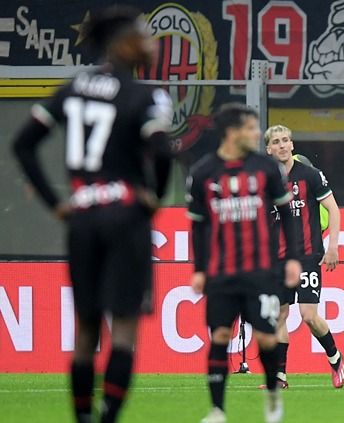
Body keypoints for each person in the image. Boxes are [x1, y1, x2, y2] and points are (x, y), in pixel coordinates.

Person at [12, 7, 173, 423]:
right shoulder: (145, 95)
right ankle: (108, 418)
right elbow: (163, 149)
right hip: (124, 216)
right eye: (144, 35)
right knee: (123, 328)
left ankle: (82, 417)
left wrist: (56, 203)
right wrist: (153, 195)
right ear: (122, 44)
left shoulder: (72, 88)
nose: (151, 44)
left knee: (85, 329)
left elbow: (23, 144)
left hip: (81, 218)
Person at [188, 104, 301, 423]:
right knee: (220, 336)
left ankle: (271, 397)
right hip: (221, 272)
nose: (255, 133)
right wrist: (199, 268)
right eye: (250, 128)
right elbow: (197, 226)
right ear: (232, 132)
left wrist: (292, 258)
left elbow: (289, 216)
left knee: (266, 337)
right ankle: (217, 410)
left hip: (261, 271)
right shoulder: (202, 172)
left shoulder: (266, 169)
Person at [265, 125, 344, 389]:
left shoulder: (310, 175)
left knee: (308, 315)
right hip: (278, 258)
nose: (281, 145)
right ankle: (280, 377)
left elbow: (333, 210)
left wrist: (333, 245)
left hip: (308, 254)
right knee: (278, 314)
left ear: (292, 145)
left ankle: (335, 358)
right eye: (276, 142)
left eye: (285, 140)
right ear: (268, 149)